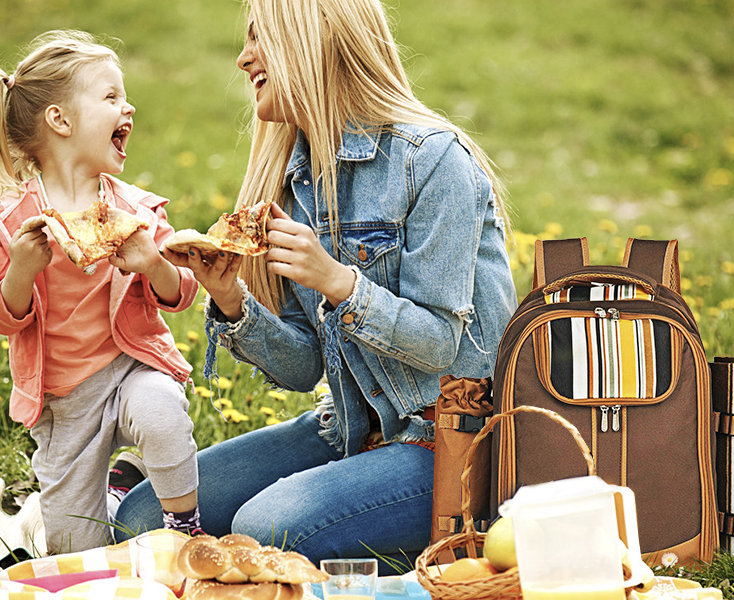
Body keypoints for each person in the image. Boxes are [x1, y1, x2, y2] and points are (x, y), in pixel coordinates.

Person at [115, 0, 517, 571]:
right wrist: (231, 300)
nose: (242, 57)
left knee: (265, 527)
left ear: (310, 43)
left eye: (260, 40)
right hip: (349, 428)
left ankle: (451, 549)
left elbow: (439, 344)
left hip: (451, 443)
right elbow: (304, 369)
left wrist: (336, 281)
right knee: (140, 516)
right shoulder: (296, 177)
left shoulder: (433, 162)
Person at [0, 30, 202, 554]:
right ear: (61, 120)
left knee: (162, 410)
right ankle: (117, 487)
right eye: (111, 96)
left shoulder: (137, 210)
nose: (129, 106)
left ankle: (186, 530)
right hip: (63, 402)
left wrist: (151, 263)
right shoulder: (9, 222)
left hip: (131, 367)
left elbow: (183, 291)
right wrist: (21, 274)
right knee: (80, 554)